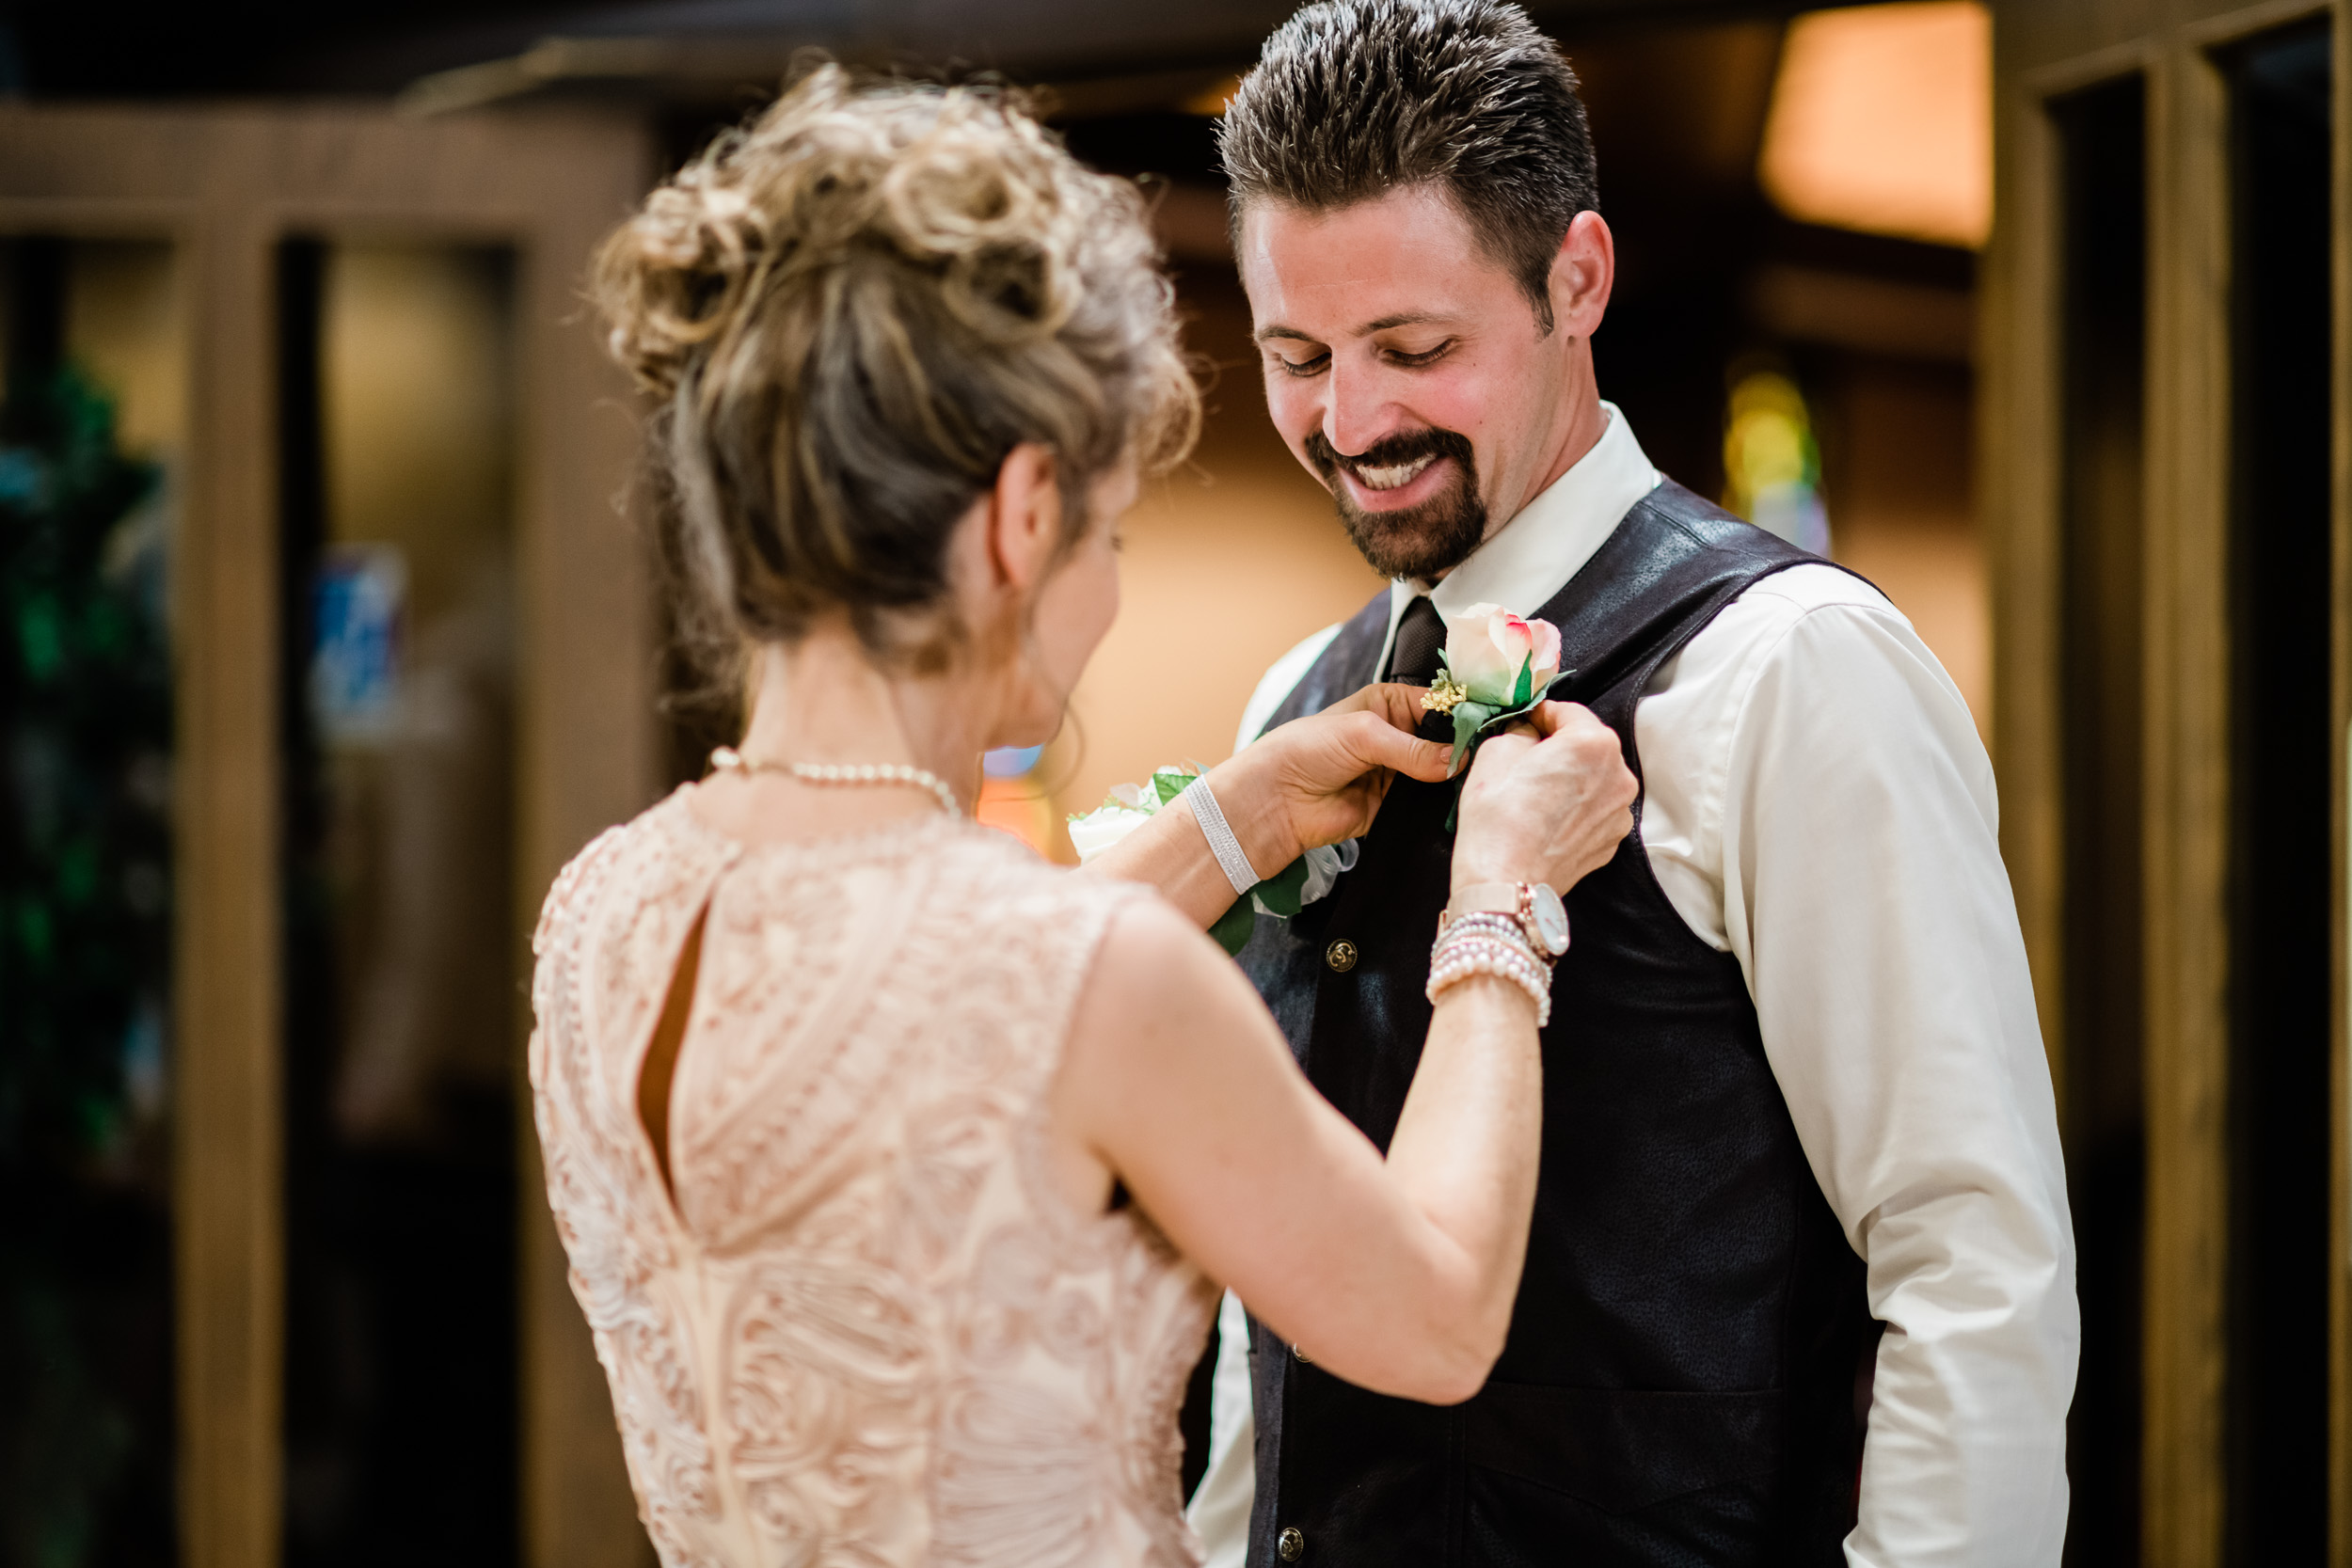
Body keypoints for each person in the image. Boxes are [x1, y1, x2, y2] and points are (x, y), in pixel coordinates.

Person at [528, 65, 1638, 1568]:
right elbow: (1437, 1315)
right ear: (1020, 514)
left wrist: (1235, 822)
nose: (1106, 591)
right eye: (1108, 531)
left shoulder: (606, 915)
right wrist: (1504, 896)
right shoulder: (1097, 986)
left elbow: (938, 1016)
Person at [1184, 4, 2079, 1565]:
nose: (1350, 424)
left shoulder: (1796, 669)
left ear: (1575, 280)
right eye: (1296, 355)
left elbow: (1970, 1268)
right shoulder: (1289, 704)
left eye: (1415, 348)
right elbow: (1272, 1333)